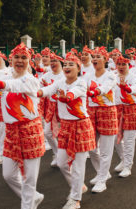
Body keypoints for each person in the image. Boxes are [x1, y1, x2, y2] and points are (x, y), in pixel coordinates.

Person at [0, 43, 45, 209]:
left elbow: (12, 86)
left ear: (29, 60)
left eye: (24, 58)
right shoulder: (6, 77)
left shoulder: (31, 80)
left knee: (29, 179)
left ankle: (29, 203)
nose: (19, 61)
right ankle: (33, 197)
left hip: (30, 131)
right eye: (16, 57)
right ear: (11, 59)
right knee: (8, 175)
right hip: (12, 133)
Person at [37, 52, 96, 209]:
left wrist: (66, 97)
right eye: (66, 64)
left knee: (78, 166)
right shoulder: (60, 82)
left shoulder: (81, 83)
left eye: (71, 64)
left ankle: (75, 199)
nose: (67, 67)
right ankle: (79, 187)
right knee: (62, 163)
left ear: (78, 68)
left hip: (81, 126)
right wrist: (35, 92)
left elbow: (73, 94)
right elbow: (48, 89)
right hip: (66, 127)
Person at [84, 47, 118, 193]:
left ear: (105, 59)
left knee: (105, 149)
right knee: (91, 147)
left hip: (107, 111)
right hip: (91, 111)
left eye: (98, 56)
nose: (95, 59)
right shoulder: (87, 75)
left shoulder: (111, 75)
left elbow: (106, 87)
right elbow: (80, 86)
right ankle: (102, 172)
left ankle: (102, 179)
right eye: (94, 56)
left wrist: (96, 91)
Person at [113, 55, 136, 178]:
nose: (120, 67)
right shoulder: (113, 77)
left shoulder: (134, 77)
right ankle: (123, 159)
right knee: (115, 139)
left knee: (129, 140)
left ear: (128, 64)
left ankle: (128, 166)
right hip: (117, 109)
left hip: (131, 109)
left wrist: (127, 88)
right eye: (118, 64)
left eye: (123, 64)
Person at [39, 52, 65, 167]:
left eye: (56, 61)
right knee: (48, 133)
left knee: (63, 134)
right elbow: (37, 86)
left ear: (61, 63)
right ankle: (57, 154)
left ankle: (66, 157)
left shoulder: (64, 75)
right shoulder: (46, 75)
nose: (53, 63)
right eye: (52, 61)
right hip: (51, 107)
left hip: (64, 106)